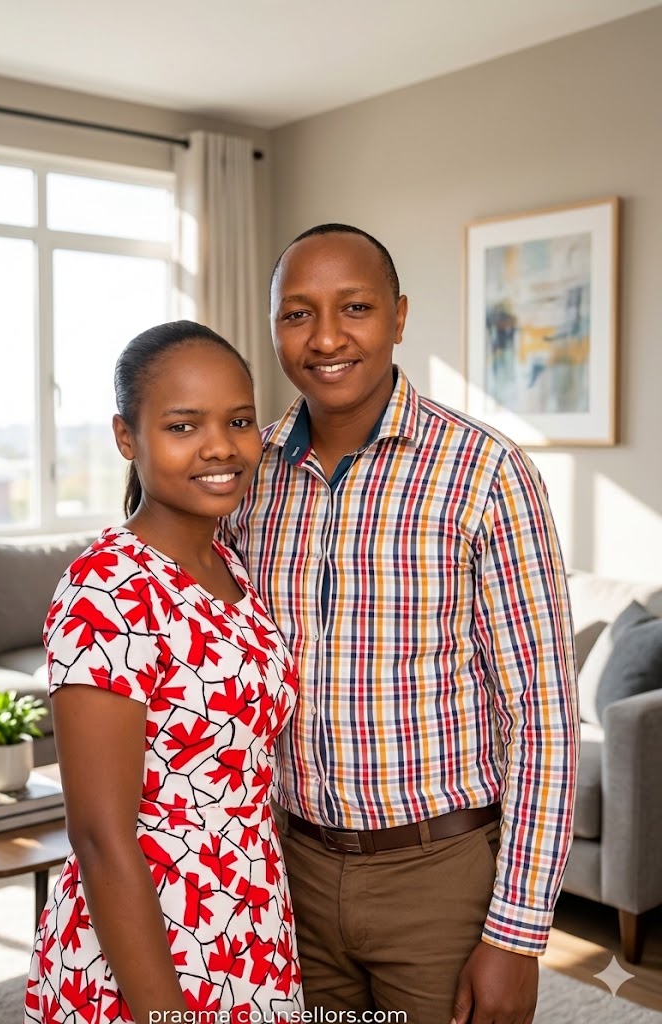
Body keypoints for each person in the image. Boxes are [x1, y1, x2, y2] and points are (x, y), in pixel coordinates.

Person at [223, 225, 580, 1024]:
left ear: (399, 315)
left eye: (354, 307)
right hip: (290, 868)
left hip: (439, 876)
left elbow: (545, 719)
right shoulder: (249, 477)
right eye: (297, 313)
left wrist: (517, 937)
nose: (325, 338)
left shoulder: (486, 473)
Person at [25, 321, 303, 1023]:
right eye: (184, 425)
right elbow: (98, 833)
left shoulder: (229, 562)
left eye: (239, 421)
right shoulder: (107, 589)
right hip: (150, 949)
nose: (221, 446)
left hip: (249, 924)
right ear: (128, 438)